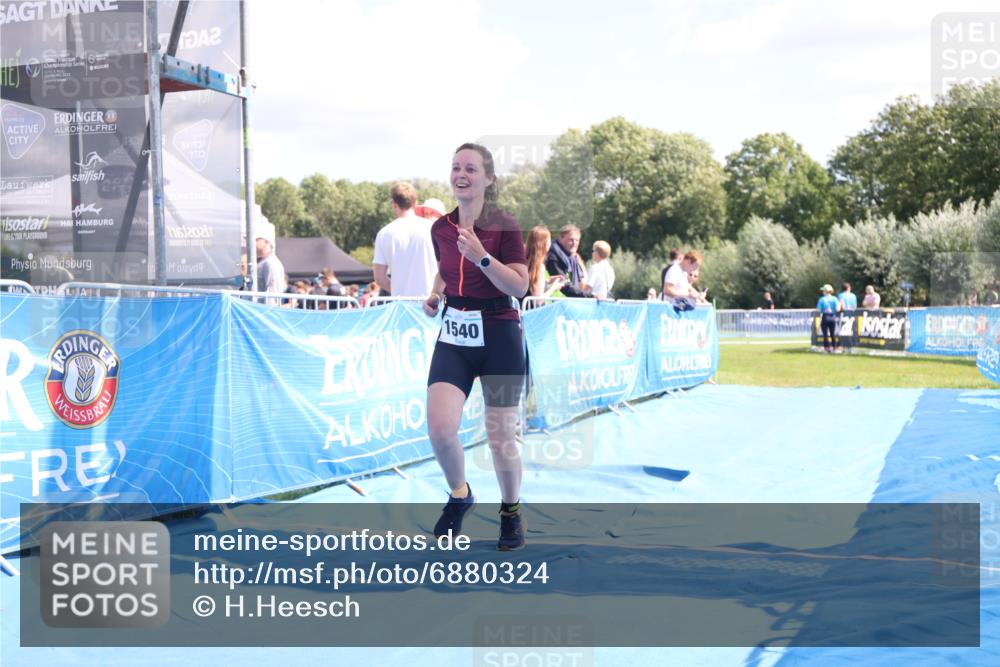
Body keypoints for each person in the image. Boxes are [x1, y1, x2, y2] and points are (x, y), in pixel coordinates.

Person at [422, 143, 529, 551]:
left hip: (501, 332)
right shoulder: (439, 229)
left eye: (470, 168)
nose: (461, 174)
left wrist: (483, 257)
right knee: (440, 428)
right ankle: (460, 494)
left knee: (500, 436)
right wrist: (435, 295)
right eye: (455, 167)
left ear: (488, 179)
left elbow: (519, 286)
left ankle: (511, 510)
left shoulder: (504, 225)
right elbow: (446, 272)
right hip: (456, 334)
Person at [373, 182, 437, 297]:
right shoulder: (432, 228)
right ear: (415, 202)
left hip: (401, 304)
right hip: (431, 303)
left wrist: (398, 290)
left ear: (393, 203)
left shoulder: (383, 234)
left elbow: (379, 278)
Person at [545, 225, 590, 297]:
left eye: (577, 240)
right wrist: (589, 296)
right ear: (560, 238)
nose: (574, 243)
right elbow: (564, 286)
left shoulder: (571, 257)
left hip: (565, 302)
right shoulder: (553, 256)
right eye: (571, 240)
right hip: (553, 304)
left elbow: (579, 283)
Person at [524, 226, 566, 301]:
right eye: (549, 240)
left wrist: (547, 281)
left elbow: (530, 287)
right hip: (534, 311)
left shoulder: (523, 262)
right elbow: (539, 300)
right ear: (545, 244)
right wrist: (554, 287)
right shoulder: (539, 267)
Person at [256, 226, 287, 306]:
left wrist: (268, 314)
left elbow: (273, 293)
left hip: (262, 313)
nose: (252, 242)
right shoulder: (264, 262)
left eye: (257, 239)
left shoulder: (271, 263)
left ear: (266, 241)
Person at [817, 283, 841, 353]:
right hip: (832, 317)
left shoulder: (822, 299)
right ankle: (834, 348)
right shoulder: (834, 299)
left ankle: (827, 348)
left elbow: (819, 309)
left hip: (825, 317)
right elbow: (838, 309)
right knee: (832, 334)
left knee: (825, 334)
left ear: (825, 291)